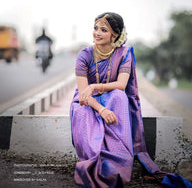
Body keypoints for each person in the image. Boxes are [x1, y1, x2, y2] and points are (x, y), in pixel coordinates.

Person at [70, 12, 192, 188]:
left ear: (115, 35)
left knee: (120, 97)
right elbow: (83, 94)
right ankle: (95, 161)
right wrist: (102, 109)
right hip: (87, 101)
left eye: (103, 30)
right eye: (95, 28)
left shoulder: (124, 53)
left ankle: (118, 161)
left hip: (110, 94)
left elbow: (121, 85)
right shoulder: (84, 55)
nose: (96, 33)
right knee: (82, 111)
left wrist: (96, 86)